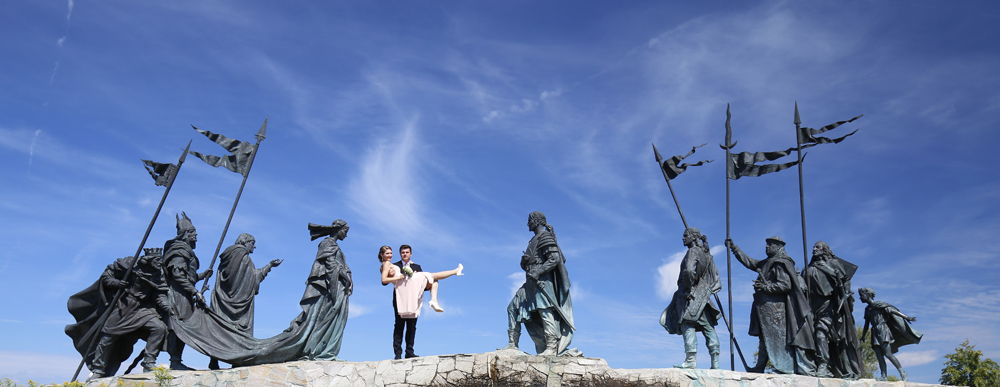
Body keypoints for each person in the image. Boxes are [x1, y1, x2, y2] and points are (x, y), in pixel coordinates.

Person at [726, 236, 815, 375]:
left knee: (778, 340)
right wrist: (734, 248)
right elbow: (751, 262)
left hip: (776, 309)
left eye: (770, 245)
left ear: (778, 247)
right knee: (764, 338)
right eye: (766, 245)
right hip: (765, 308)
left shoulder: (780, 263)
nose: (766, 247)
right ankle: (760, 367)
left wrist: (766, 287)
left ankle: (786, 368)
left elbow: (785, 285)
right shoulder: (767, 262)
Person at [500, 211, 580, 357]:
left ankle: (551, 347)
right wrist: (524, 263)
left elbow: (554, 258)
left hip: (542, 282)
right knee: (512, 308)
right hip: (530, 283)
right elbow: (531, 263)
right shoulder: (533, 240)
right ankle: (513, 343)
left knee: (545, 311)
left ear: (536, 221)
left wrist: (539, 271)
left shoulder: (545, 236)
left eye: (530, 220)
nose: (527, 224)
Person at [207, 233, 282, 370]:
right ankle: (238, 360)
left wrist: (269, 265)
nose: (254, 246)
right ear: (245, 242)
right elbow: (252, 278)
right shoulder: (243, 258)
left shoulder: (228, 255)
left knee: (220, 328)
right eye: (252, 242)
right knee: (239, 331)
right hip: (239, 302)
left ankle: (214, 360)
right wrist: (269, 266)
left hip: (223, 298)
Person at [380, 245, 463, 359]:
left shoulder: (417, 266)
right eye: (403, 252)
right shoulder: (394, 265)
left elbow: (422, 286)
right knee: (399, 325)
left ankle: (409, 352)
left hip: (414, 298)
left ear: (411, 254)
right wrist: (399, 276)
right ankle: (398, 354)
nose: (405, 254)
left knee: (412, 326)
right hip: (400, 298)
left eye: (407, 252)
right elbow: (384, 281)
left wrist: (415, 275)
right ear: (400, 254)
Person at [661, 228, 722, 369]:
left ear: (693, 238)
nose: (683, 238)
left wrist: (688, 287)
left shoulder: (693, 251)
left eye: (685, 236)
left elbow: (689, 270)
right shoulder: (706, 254)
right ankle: (715, 362)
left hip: (689, 294)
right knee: (708, 327)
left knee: (687, 324)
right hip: (703, 295)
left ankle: (690, 360)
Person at [803, 241, 862, 379]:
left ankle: (823, 365)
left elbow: (845, 281)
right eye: (813, 247)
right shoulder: (809, 268)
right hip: (812, 307)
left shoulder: (833, 264)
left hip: (829, 305)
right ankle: (815, 364)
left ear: (825, 250)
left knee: (820, 333)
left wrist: (845, 291)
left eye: (817, 247)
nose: (814, 249)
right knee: (810, 336)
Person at [162, 212, 211, 370]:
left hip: (185, 293)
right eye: (192, 232)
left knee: (185, 326)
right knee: (179, 326)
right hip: (177, 295)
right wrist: (196, 292)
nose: (196, 234)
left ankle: (176, 360)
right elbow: (177, 276)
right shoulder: (179, 250)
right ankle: (174, 361)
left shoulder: (186, 251)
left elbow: (188, 277)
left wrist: (203, 275)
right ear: (185, 234)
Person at [860, 287, 922, 381]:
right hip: (874, 332)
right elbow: (866, 324)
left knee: (888, 353)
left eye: (862, 295)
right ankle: (884, 376)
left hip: (883, 330)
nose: (860, 298)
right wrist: (863, 335)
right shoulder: (867, 309)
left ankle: (902, 372)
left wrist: (907, 317)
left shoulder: (880, 305)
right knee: (879, 355)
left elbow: (893, 311)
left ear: (868, 295)